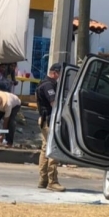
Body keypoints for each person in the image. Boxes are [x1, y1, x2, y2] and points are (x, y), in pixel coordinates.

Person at [35, 63, 65, 192]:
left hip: (45, 120)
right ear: (55, 72)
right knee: (53, 149)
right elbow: (54, 104)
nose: (60, 77)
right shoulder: (48, 85)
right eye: (60, 73)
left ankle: (43, 180)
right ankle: (52, 181)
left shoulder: (45, 83)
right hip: (49, 121)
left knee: (45, 149)